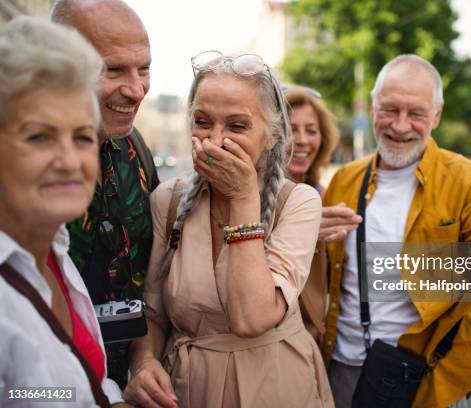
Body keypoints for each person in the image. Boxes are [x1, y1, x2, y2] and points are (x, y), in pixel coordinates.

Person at [321, 54, 471, 407]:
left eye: (417, 113)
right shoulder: (345, 179)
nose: (401, 126)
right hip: (343, 368)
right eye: (390, 109)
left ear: (436, 116)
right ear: (373, 108)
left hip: (428, 376)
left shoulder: (468, 179)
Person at [124, 51, 334, 408]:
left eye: (237, 127)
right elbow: (154, 311)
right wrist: (143, 362)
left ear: (271, 135)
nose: (215, 141)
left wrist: (242, 198)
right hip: (189, 388)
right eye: (203, 122)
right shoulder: (168, 201)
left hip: (275, 386)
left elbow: (252, 317)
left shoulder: (297, 202)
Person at [0, 16, 132, 407]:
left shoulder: (53, 248)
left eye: (82, 137)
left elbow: (27, 392)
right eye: (39, 136)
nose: (69, 160)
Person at [50, 0, 160, 388]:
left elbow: (151, 280)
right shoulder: (16, 171)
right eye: (112, 70)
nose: (137, 90)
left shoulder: (136, 149)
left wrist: (143, 361)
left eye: (143, 68)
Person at [284, 85, 341, 344]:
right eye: (291, 129)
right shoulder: (251, 195)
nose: (303, 140)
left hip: (312, 343)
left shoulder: (327, 196)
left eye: (311, 130)